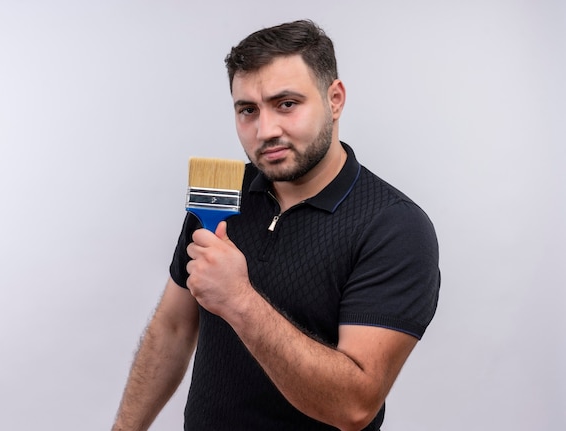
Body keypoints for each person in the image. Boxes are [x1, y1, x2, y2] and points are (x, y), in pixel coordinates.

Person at [112, 19, 440, 431]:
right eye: (248, 110)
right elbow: (174, 327)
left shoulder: (393, 227)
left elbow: (355, 406)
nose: (266, 131)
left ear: (334, 99)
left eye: (286, 104)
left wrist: (239, 301)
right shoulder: (221, 194)